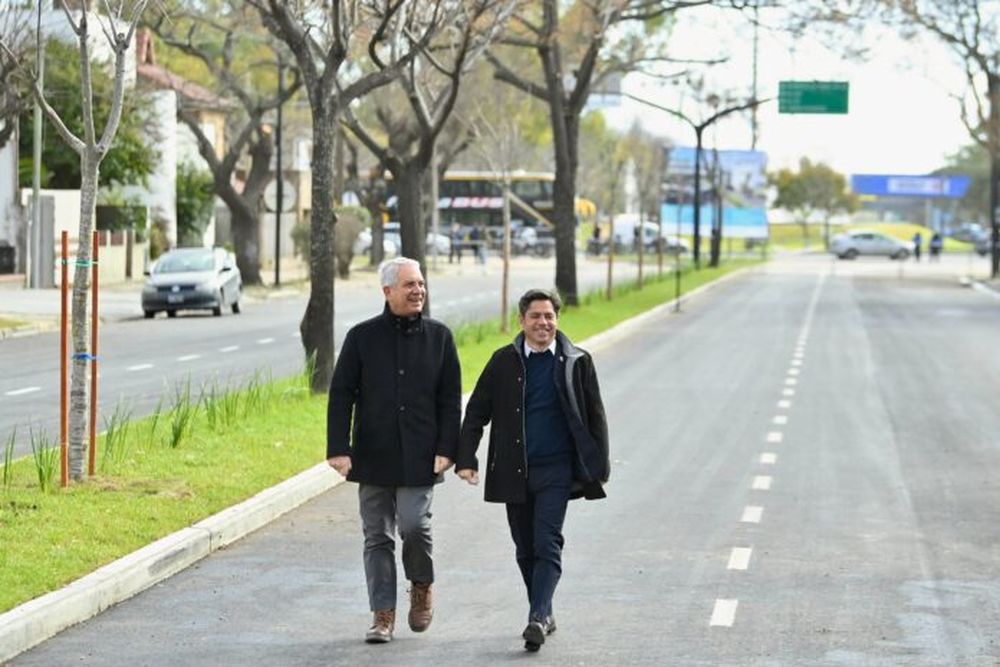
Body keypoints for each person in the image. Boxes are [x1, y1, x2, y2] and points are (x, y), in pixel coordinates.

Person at [456, 289, 610, 653]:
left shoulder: (577, 361)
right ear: (522, 321)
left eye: (549, 316)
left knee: (547, 541)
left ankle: (537, 617)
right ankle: (544, 610)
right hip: (513, 470)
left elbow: (596, 416)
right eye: (536, 316)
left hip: (557, 471)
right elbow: (477, 412)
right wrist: (466, 458)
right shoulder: (503, 362)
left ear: (557, 320)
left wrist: (598, 466)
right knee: (524, 547)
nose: (543, 323)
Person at [327, 257, 462, 644]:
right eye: (409, 285)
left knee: (414, 526)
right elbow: (341, 394)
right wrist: (339, 448)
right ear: (387, 292)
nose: (418, 290)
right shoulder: (362, 337)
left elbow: (450, 398)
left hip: (422, 455)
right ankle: (382, 613)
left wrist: (447, 448)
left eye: (420, 284)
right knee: (377, 537)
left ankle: (421, 584)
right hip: (372, 455)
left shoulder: (440, 338)